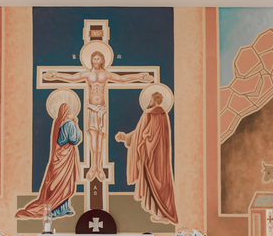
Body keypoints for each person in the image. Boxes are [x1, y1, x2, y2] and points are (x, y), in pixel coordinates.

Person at [43, 51, 152, 181]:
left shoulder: (105, 74)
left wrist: (139, 77)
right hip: (91, 110)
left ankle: (98, 167)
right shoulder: (87, 74)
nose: (96, 60)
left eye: (98, 58)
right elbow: (72, 78)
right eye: (94, 58)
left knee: (99, 143)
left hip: (101, 111)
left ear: (102, 61)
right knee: (93, 142)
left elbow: (121, 79)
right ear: (91, 60)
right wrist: (56, 75)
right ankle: (92, 167)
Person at [115, 90, 178, 224]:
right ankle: (162, 213)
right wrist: (128, 137)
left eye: (151, 100)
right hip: (160, 157)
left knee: (153, 182)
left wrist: (126, 138)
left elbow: (143, 134)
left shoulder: (150, 114)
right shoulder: (163, 115)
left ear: (154, 101)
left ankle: (161, 214)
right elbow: (143, 132)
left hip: (151, 156)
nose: (150, 102)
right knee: (161, 182)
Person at [17, 101, 82, 219]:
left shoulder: (57, 122)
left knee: (57, 183)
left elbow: (58, 140)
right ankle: (58, 209)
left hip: (57, 157)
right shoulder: (70, 124)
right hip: (66, 157)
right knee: (64, 183)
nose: (69, 111)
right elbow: (74, 140)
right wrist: (76, 125)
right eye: (68, 109)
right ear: (66, 111)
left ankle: (63, 208)